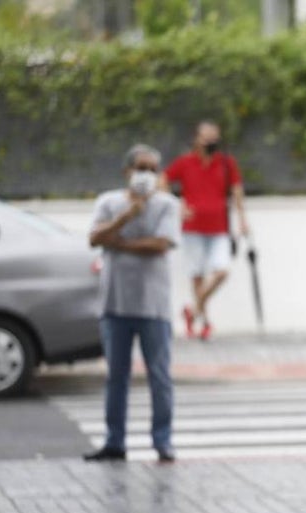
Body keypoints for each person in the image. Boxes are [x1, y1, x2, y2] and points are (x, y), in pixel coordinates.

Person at [83, 144, 181, 464]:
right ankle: (115, 442)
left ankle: (163, 441)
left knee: (160, 376)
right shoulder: (108, 202)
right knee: (116, 377)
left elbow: (161, 244)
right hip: (115, 306)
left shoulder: (167, 204)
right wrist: (127, 216)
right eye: (141, 167)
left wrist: (120, 243)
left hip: (154, 308)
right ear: (127, 171)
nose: (146, 175)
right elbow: (95, 238)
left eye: (153, 169)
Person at [161, 120, 249, 340]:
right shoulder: (185, 162)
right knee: (197, 276)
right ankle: (205, 321)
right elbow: (162, 180)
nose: (211, 142)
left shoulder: (227, 163)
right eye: (207, 137)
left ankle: (192, 310)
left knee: (221, 271)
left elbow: (236, 190)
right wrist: (177, 205)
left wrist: (242, 219)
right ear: (197, 139)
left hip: (219, 227)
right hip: (192, 228)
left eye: (214, 138)